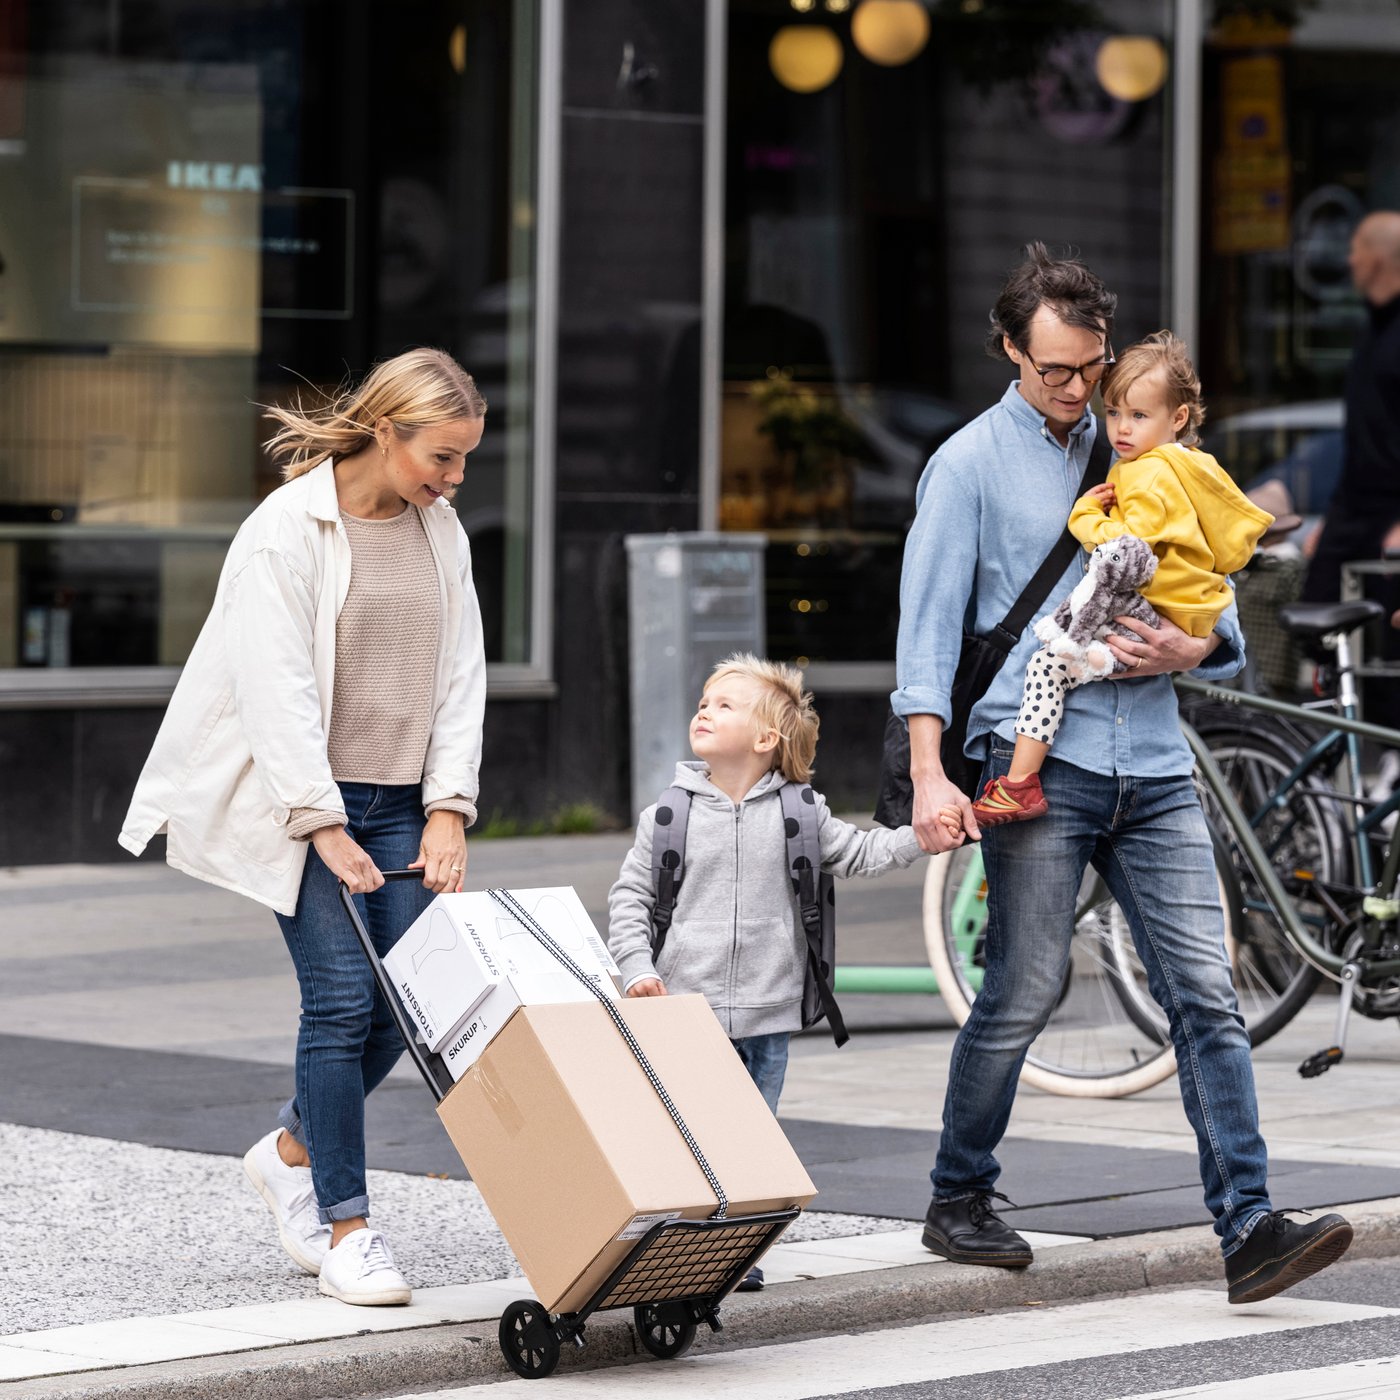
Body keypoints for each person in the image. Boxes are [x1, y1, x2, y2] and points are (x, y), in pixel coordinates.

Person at [893, 243, 1352, 1304]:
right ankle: (959, 1193)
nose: (1076, 391)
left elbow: (1207, 581)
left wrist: (1199, 647)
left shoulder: (1142, 440)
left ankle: (1248, 1224)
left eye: (1090, 368)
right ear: (1009, 349)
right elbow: (925, 632)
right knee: (1022, 988)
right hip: (1037, 765)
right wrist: (927, 772)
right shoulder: (965, 465)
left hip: (1151, 759)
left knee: (1207, 995)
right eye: (1053, 369)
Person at [119, 348, 488, 1307]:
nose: (455, 480)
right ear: (385, 431)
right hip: (308, 802)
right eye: (442, 457)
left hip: (403, 802)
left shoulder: (440, 530)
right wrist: (323, 825)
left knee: (414, 1005)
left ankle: (289, 1150)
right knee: (340, 1003)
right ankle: (347, 1229)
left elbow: (462, 674)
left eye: (464, 460)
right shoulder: (284, 532)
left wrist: (448, 810)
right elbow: (272, 691)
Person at [606, 653, 924, 1290]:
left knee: (752, 1139)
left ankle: (731, 1250)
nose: (704, 711)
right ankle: (678, 1244)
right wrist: (636, 966)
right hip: (685, 1011)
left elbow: (860, 852)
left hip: (769, 1011)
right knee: (686, 1132)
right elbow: (631, 897)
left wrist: (922, 836)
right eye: (704, 701)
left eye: (724, 705)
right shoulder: (669, 815)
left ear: (764, 739)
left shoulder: (799, 813)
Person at [966, 331, 1273, 826]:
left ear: (1178, 418)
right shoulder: (1196, 469)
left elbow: (1130, 552)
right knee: (1071, 660)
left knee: (1046, 667)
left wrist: (1085, 517)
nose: (1122, 428)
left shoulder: (1147, 473)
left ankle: (1019, 783)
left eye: (1138, 415)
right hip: (1185, 611)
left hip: (1148, 612)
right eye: (1113, 412)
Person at [1302, 210, 1400, 726]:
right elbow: (1362, 439)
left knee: (1388, 647)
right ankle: (1342, 740)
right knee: (1316, 623)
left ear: (1378, 258)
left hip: (1392, 519)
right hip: (1354, 511)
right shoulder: (1371, 329)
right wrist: (1331, 520)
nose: (1349, 260)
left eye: (1356, 248)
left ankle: (1385, 756)